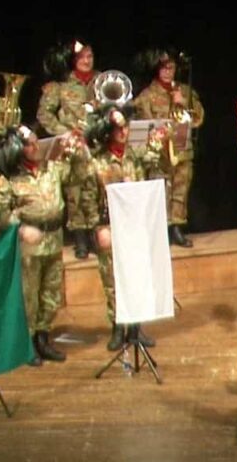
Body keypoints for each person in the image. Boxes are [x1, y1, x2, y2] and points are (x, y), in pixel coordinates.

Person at [0, 126, 74, 364]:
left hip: (53, 238)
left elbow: (76, 174)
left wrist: (74, 148)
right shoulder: (11, 180)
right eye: (29, 144)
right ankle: (27, 343)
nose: (35, 147)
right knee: (29, 295)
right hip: (29, 244)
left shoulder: (51, 169)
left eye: (36, 142)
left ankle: (43, 337)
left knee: (51, 293)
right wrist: (19, 228)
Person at [85, 104, 161, 351]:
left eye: (126, 127)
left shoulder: (133, 157)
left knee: (136, 277)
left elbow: (152, 167)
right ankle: (118, 328)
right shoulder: (97, 163)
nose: (124, 132)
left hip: (134, 225)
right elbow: (88, 199)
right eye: (118, 128)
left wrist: (158, 142)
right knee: (113, 281)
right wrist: (97, 229)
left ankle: (136, 329)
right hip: (109, 225)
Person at [133, 48, 204, 248]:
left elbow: (198, 119)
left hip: (182, 147)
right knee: (161, 192)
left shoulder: (184, 90)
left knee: (180, 190)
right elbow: (143, 121)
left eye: (171, 68)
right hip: (160, 151)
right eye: (164, 68)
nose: (167, 72)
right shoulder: (148, 94)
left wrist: (183, 103)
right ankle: (161, 231)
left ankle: (177, 228)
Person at [36, 38, 100, 259]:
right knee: (75, 192)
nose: (86, 61)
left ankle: (95, 234)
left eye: (90, 56)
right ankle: (80, 238)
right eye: (81, 57)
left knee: (95, 191)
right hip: (72, 147)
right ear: (73, 60)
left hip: (97, 145)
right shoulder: (60, 85)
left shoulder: (102, 81)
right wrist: (65, 133)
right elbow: (44, 114)